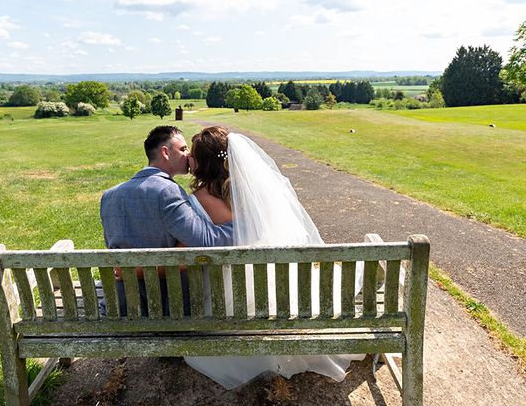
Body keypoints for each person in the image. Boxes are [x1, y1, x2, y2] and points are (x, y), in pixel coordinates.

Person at [184, 126, 365, 389]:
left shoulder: (197, 199)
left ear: (204, 161)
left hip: (228, 290)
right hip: (273, 279)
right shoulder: (254, 193)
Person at [100, 125, 234, 316]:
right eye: (183, 149)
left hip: (119, 305)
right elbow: (206, 241)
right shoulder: (168, 192)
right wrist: (245, 228)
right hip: (166, 308)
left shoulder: (108, 196)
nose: (188, 155)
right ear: (165, 152)